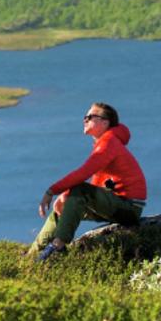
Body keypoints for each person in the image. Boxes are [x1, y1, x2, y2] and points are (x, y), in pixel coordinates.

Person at [30, 102, 147, 260]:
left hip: (129, 207)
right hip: (116, 204)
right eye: (85, 117)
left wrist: (52, 191)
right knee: (61, 206)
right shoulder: (106, 142)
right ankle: (35, 254)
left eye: (90, 117)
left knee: (79, 190)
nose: (85, 120)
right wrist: (65, 196)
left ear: (105, 122)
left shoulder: (109, 142)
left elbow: (84, 173)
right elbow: (96, 184)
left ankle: (58, 246)